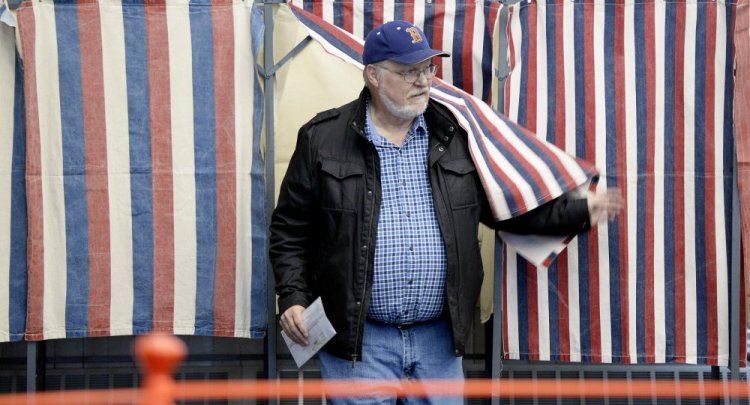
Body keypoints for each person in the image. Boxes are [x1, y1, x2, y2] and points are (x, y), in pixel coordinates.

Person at [269, 20, 623, 404]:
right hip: (359, 342)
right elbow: (290, 230)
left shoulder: (457, 135)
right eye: (408, 72)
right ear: (372, 74)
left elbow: (506, 210)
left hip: (438, 342)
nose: (423, 81)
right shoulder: (322, 138)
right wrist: (293, 297)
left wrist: (576, 211)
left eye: (428, 69)